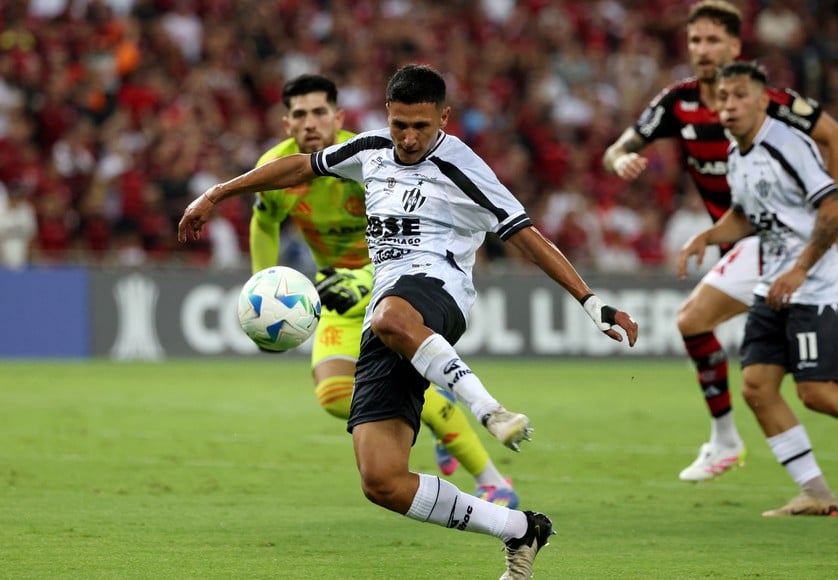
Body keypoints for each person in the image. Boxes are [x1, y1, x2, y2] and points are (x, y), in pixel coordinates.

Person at [181, 64, 638, 578]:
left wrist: (589, 299)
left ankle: (489, 411)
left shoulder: (463, 166)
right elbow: (301, 168)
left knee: (391, 316)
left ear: (443, 118)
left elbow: (525, 234)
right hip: (388, 314)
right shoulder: (371, 150)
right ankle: (520, 530)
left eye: (421, 126)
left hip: (441, 293)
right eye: (400, 124)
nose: (409, 137)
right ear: (386, 116)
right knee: (381, 479)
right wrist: (217, 193)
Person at [250, 73, 520, 506]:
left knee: (400, 391)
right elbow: (263, 223)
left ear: (338, 117)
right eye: (299, 115)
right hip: (335, 294)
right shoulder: (279, 167)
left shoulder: (370, 155)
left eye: (320, 112)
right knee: (334, 394)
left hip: (391, 285)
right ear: (287, 124)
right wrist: (261, 283)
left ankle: (492, 479)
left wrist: (362, 280)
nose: (310, 123)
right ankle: (437, 400)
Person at [602, 0, 838, 482]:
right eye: (695, 40)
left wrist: (825, 209)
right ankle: (795, 480)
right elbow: (617, 148)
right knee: (762, 377)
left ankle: (727, 440)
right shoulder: (678, 101)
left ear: (735, 45)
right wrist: (620, 161)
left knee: (699, 323)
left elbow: (832, 135)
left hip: (783, 240)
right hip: (748, 240)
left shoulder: (769, 101)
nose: (702, 49)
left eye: (713, 40)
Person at [678, 61, 838, 516]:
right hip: (774, 287)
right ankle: (818, 495)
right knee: (756, 387)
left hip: (815, 287)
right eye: (723, 97)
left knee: (818, 392)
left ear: (763, 100)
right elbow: (748, 217)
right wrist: (706, 236)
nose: (729, 105)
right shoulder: (736, 153)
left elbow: (831, 206)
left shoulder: (789, 145)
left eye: (739, 95)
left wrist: (802, 270)